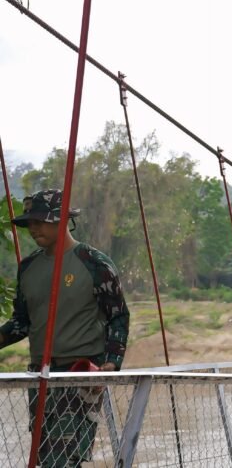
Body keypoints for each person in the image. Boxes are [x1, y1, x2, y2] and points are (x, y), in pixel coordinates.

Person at [0, 189, 129, 467]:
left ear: (61, 220)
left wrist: (111, 364)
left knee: (63, 460)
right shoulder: (28, 267)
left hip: (79, 374)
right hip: (39, 376)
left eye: (39, 221)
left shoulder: (94, 263)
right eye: (29, 223)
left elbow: (118, 317)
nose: (33, 229)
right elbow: (21, 324)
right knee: (45, 457)